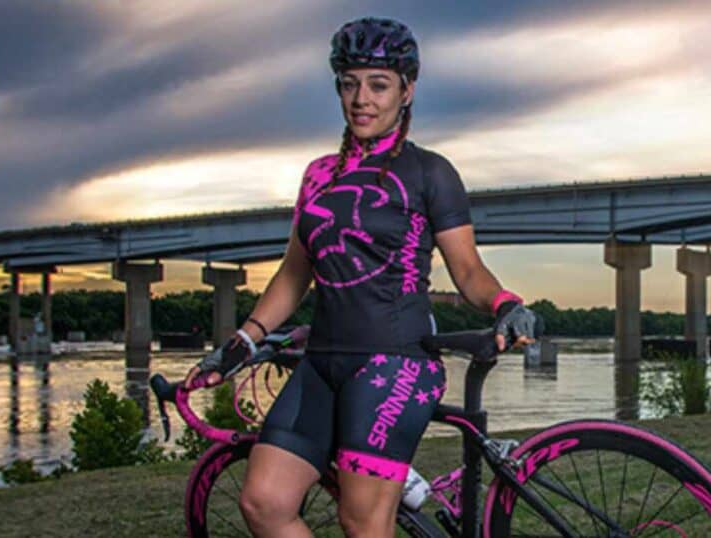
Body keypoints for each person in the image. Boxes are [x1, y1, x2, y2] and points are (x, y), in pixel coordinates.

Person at [185, 17, 540, 537]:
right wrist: (245, 338)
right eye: (349, 84)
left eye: (378, 84)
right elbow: (293, 272)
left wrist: (506, 303)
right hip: (323, 360)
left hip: (393, 362)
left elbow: (467, 268)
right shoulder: (318, 174)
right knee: (264, 501)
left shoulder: (430, 173)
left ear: (407, 90)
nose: (362, 99)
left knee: (362, 521)